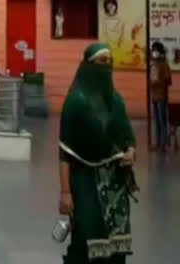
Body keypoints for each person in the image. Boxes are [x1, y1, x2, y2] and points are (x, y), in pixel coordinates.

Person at [58, 43, 138, 264]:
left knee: (116, 247)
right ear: (88, 65)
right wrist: (65, 193)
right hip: (86, 182)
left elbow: (128, 136)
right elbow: (64, 152)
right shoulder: (75, 103)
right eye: (102, 62)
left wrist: (131, 151)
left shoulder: (116, 101)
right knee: (87, 240)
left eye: (109, 61)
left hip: (116, 186)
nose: (107, 66)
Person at [149, 41, 172, 152]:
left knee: (162, 121)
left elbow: (168, 80)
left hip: (162, 96)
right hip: (154, 96)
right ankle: (158, 143)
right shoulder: (152, 64)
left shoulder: (164, 64)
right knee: (157, 121)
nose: (154, 52)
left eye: (156, 50)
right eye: (153, 50)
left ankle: (163, 144)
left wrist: (159, 82)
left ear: (160, 51)